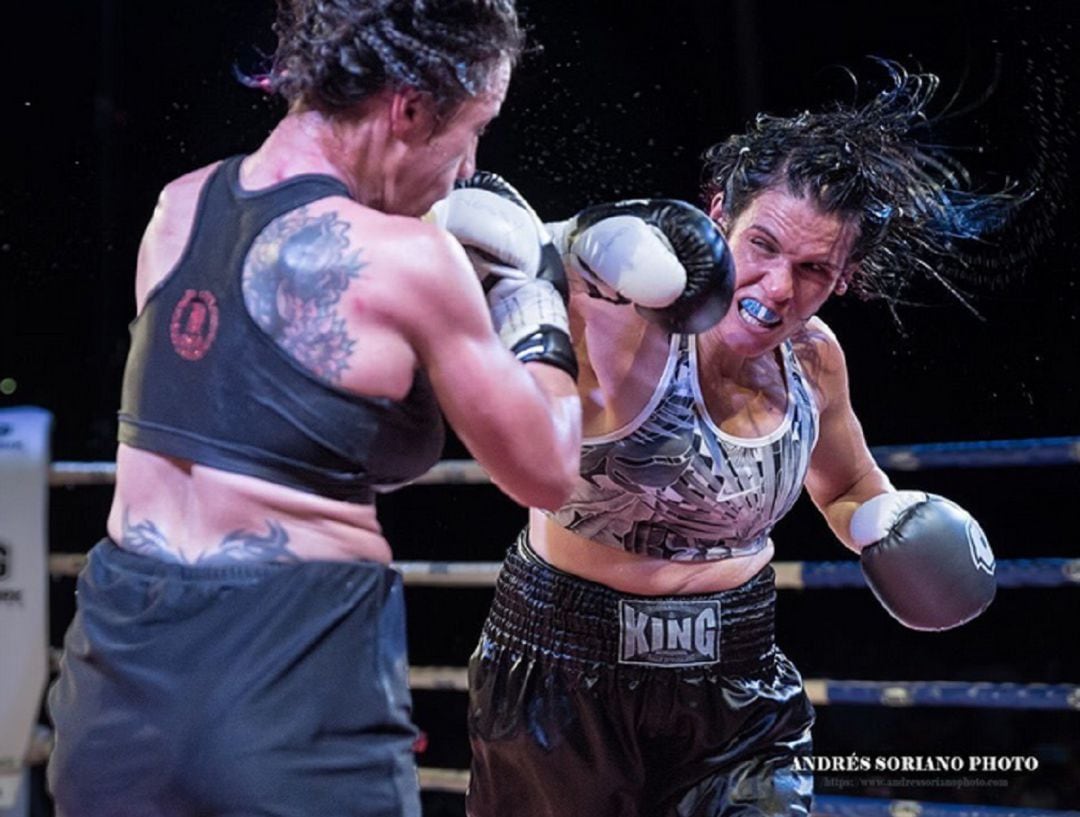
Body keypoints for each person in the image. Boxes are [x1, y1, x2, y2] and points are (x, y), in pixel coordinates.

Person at [46, 2, 582, 816]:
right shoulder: (410, 259)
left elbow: (280, 423)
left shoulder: (177, 210)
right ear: (407, 108)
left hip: (114, 689)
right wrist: (532, 303)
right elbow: (547, 470)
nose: (470, 167)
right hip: (289, 678)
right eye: (474, 128)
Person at [462, 62, 1003, 817]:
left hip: (737, 679)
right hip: (564, 674)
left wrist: (888, 520)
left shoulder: (815, 360)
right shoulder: (621, 323)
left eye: (815, 268)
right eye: (766, 246)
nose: (780, 288)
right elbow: (512, 259)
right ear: (718, 215)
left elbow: (847, 485)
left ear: (844, 276)